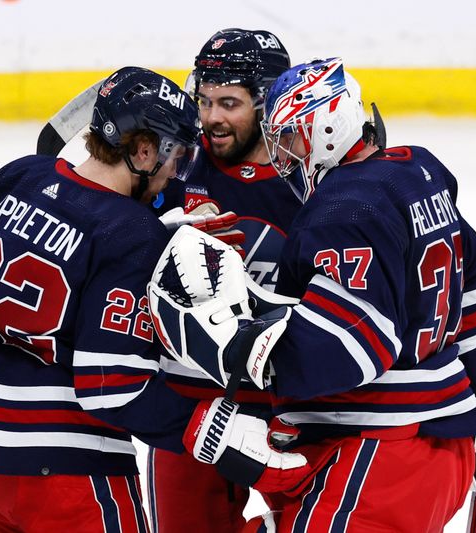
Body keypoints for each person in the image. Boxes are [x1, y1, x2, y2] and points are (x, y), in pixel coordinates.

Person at [0, 66, 306, 533]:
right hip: (68, 469)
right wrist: (218, 430)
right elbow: (113, 385)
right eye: (175, 159)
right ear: (144, 150)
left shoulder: (18, 176)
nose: (175, 176)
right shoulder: (129, 232)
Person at [148, 58, 476, 532]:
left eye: (292, 138)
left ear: (329, 129)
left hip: (383, 446)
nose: (285, 156)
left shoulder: (343, 209)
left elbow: (350, 348)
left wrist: (238, 347)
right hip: (437, 442)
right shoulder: (417, 172)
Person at [148, 28, 303, 533]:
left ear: (270, 100)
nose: (212, 117)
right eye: (205, 100)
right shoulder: (175, 164)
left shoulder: (316, 173)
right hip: (191, 401)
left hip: (293, 405)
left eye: (230, 102)